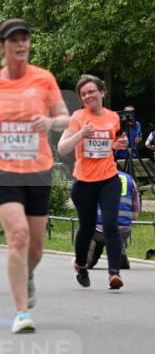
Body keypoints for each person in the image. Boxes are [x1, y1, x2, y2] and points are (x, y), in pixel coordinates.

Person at [0, 19, 69, 333]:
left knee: (35, 249)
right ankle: (22, 312)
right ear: (2, 46)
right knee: (19, 236)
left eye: (25, 39)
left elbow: (64, 117)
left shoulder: (44, 79)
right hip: (2, 169)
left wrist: (49, 123)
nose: (21, 45)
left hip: (37, 170)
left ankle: (28, 274)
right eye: (14, 40)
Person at [57, 75, 129, 290]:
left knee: (110, 224)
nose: (88, 96)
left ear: (102, 93)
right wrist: (81, 133)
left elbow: (111, 143)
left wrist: (119, 144)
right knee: (87, 227)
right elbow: (62, 148)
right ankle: (81, 265)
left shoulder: (113, 117)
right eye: (84, 94)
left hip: (109, 178)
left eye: (91, 92)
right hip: (84, 181)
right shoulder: (78, 118)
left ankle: (113, 274)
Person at [87, 169, 140, 270]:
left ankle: (88, 255)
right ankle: (119, 253)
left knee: (88, 232)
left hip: (98, 229)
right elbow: (135, 216)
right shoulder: (129, 179)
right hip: (122, 229)